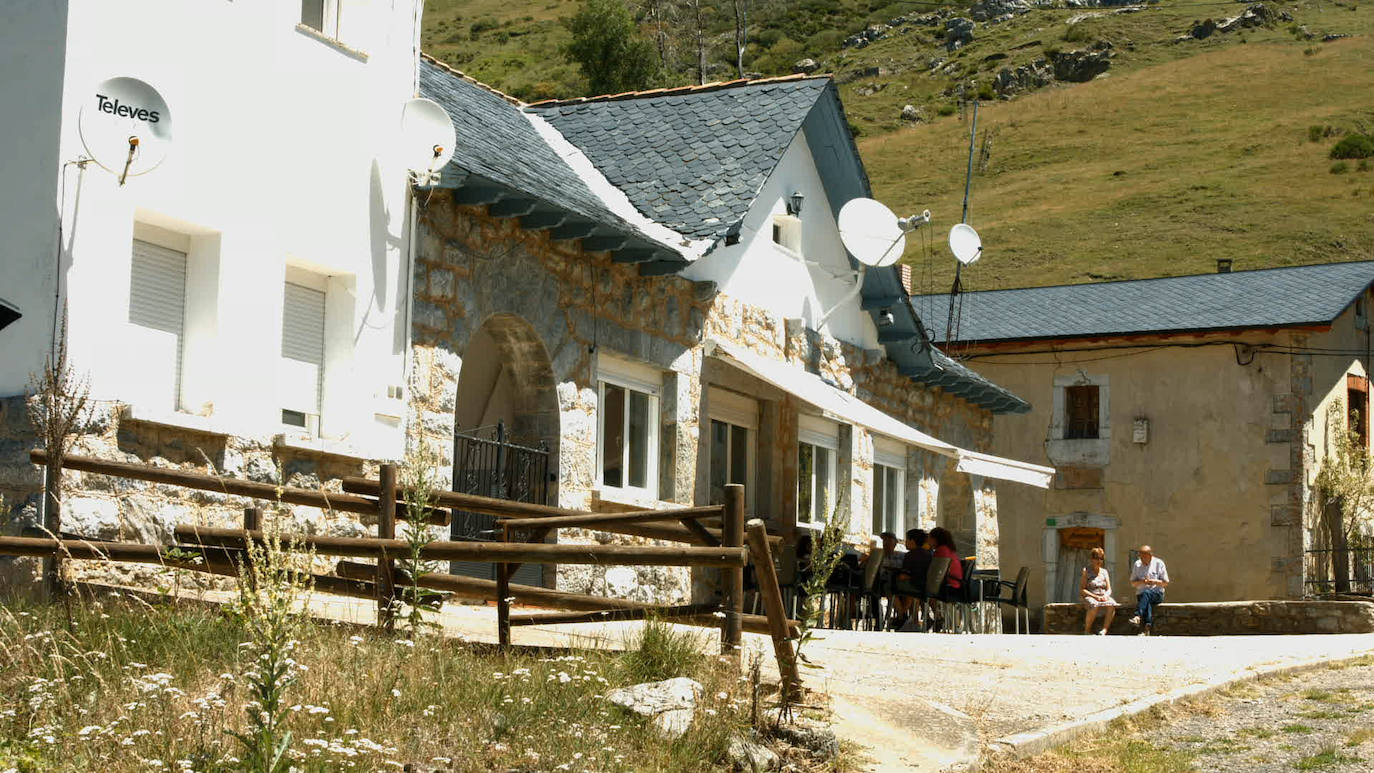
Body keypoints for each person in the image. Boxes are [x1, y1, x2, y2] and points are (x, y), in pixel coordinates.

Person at [892, 529, 930, 630]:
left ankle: (901, 615)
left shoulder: (909, 555)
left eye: (907, 540)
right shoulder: (928, 555)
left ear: (912, 541)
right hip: (924, 586)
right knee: (909, 592)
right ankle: (910, 619)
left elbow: (904, 575)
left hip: (913, 586)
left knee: (889, 586)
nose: (905, 543)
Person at [1128, 544, 1169, 636]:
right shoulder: (1137, 564)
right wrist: (1142, 581)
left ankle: (1137, 616)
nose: (1142, 560)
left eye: (1144, 557)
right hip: (1142, 594)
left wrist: (1154, 581)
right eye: (1141, 557)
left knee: (1146, 594)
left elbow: (1165, 583)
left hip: (1157, 593)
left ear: (1150, 555)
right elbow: (1133, 583)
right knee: (1147, 600)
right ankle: (1147, 627)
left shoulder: (1159, 563)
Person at [1079, 547, 1118, 635]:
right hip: (1091, 595)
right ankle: (1087, 630)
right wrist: (1095, 596)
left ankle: (1104, 629)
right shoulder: (1086, 571)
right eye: (1096, 558)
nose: (1099, 561)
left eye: (1101, 558)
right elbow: (1082, 589)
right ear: (1092, 559)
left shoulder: (1104, 572)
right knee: (1094, 605)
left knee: (1112, 604)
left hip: (1103, 596)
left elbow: (1109, 589)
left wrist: (1106, 596)